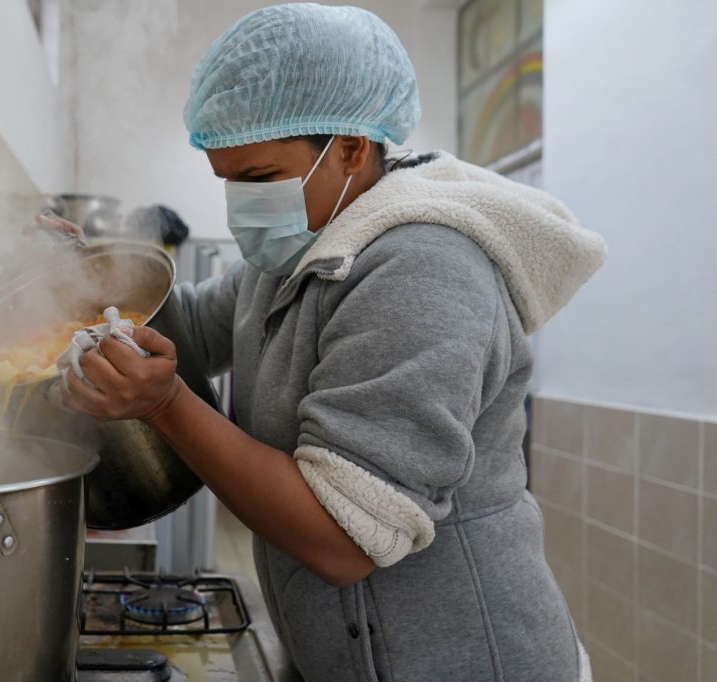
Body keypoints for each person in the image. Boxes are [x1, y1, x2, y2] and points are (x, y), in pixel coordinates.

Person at [54, 4, 606, 680]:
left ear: (350, 147)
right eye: (227, 180)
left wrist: (167, 405)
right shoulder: (289, 256)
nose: (239, 205)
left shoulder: (422, 268)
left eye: (259, 179)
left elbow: (344, 540)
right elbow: (185, 326)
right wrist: (78, 280)